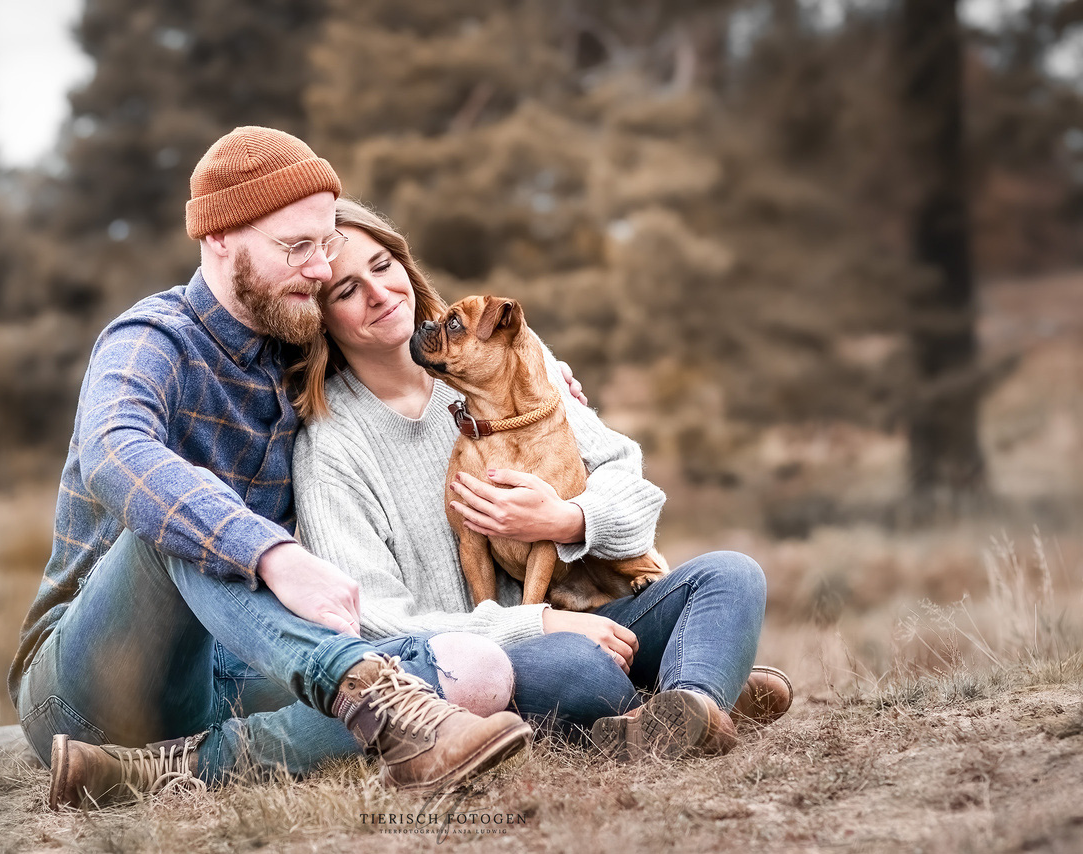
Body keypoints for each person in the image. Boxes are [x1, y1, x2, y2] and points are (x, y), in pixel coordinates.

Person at [8, 127, 534, 810]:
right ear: (219, 237)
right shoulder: (151, 339)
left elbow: (413, 342)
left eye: (325, 244)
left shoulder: (301, 342)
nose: (319, 270)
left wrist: (534, 389)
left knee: (473, 668)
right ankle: (368, 696)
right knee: (189, 512)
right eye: (296, 247)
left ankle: (161, 770)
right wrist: (271, 553)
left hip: (233, 668)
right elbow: (115, 449)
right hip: (89, 685)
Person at [290, 198, 793, 759]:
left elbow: (628, 482)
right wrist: (538, 625)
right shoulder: (330, 447)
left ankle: (689, 701)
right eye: (347, 290)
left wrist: (569, 519)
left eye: (383, 266)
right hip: (491, 661)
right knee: (577, 670)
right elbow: (376, 621)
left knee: (731, 574)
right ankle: (699, 687)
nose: (380, 293)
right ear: (319, 315)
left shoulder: (509, 359)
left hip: (597, 617)